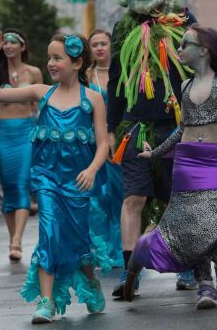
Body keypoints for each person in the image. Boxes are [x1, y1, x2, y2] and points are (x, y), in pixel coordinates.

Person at [124, 25, 217, 310]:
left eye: (185, 45)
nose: (179, 50)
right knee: (193, 224)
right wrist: (155, 152)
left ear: (204, 50)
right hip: (187, 161)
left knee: (213, 217)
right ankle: (205, 284)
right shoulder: (184, 86)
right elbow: (182, 129)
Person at [0, 33, 108, 324]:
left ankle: (90, 282)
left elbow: (103, 144)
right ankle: (46, 301)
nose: (50, 63)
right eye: (49, 57)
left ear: (77, 63)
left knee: (79, 240)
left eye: (57, 58)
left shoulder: (93, 99)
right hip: (47, 177)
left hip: (78, 180)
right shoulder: (41, 92)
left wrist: (91, 169)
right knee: (48, 232)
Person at [107, 0, 198, 297]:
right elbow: (115, 81)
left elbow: (205, 66)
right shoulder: (122, 29)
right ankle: (129, 273)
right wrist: (111, 127)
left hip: (178, 126)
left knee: (179, 198)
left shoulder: (183, 20)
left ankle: (187, 265)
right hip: (136, 128)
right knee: (133, 198)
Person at [0, 29, 43, 262]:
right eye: (6, 43)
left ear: (23, 47)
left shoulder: (34, 72)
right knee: (9, 186)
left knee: (22, 183)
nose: (9, 46)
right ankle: (12, 237)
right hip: (4, 133)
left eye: (14, 42)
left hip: (27, 131)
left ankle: (17, 241)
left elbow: (43, 103)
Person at [86, 28, 124, 268]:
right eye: (95, 44)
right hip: (93, 140)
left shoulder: (122, 71)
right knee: (98, 196)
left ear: (111, 46)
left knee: (120, 194)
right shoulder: (86, 75)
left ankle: (122, 248)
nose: (99, 48)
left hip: (121, 139)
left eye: (103, 43)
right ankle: (102, 250)